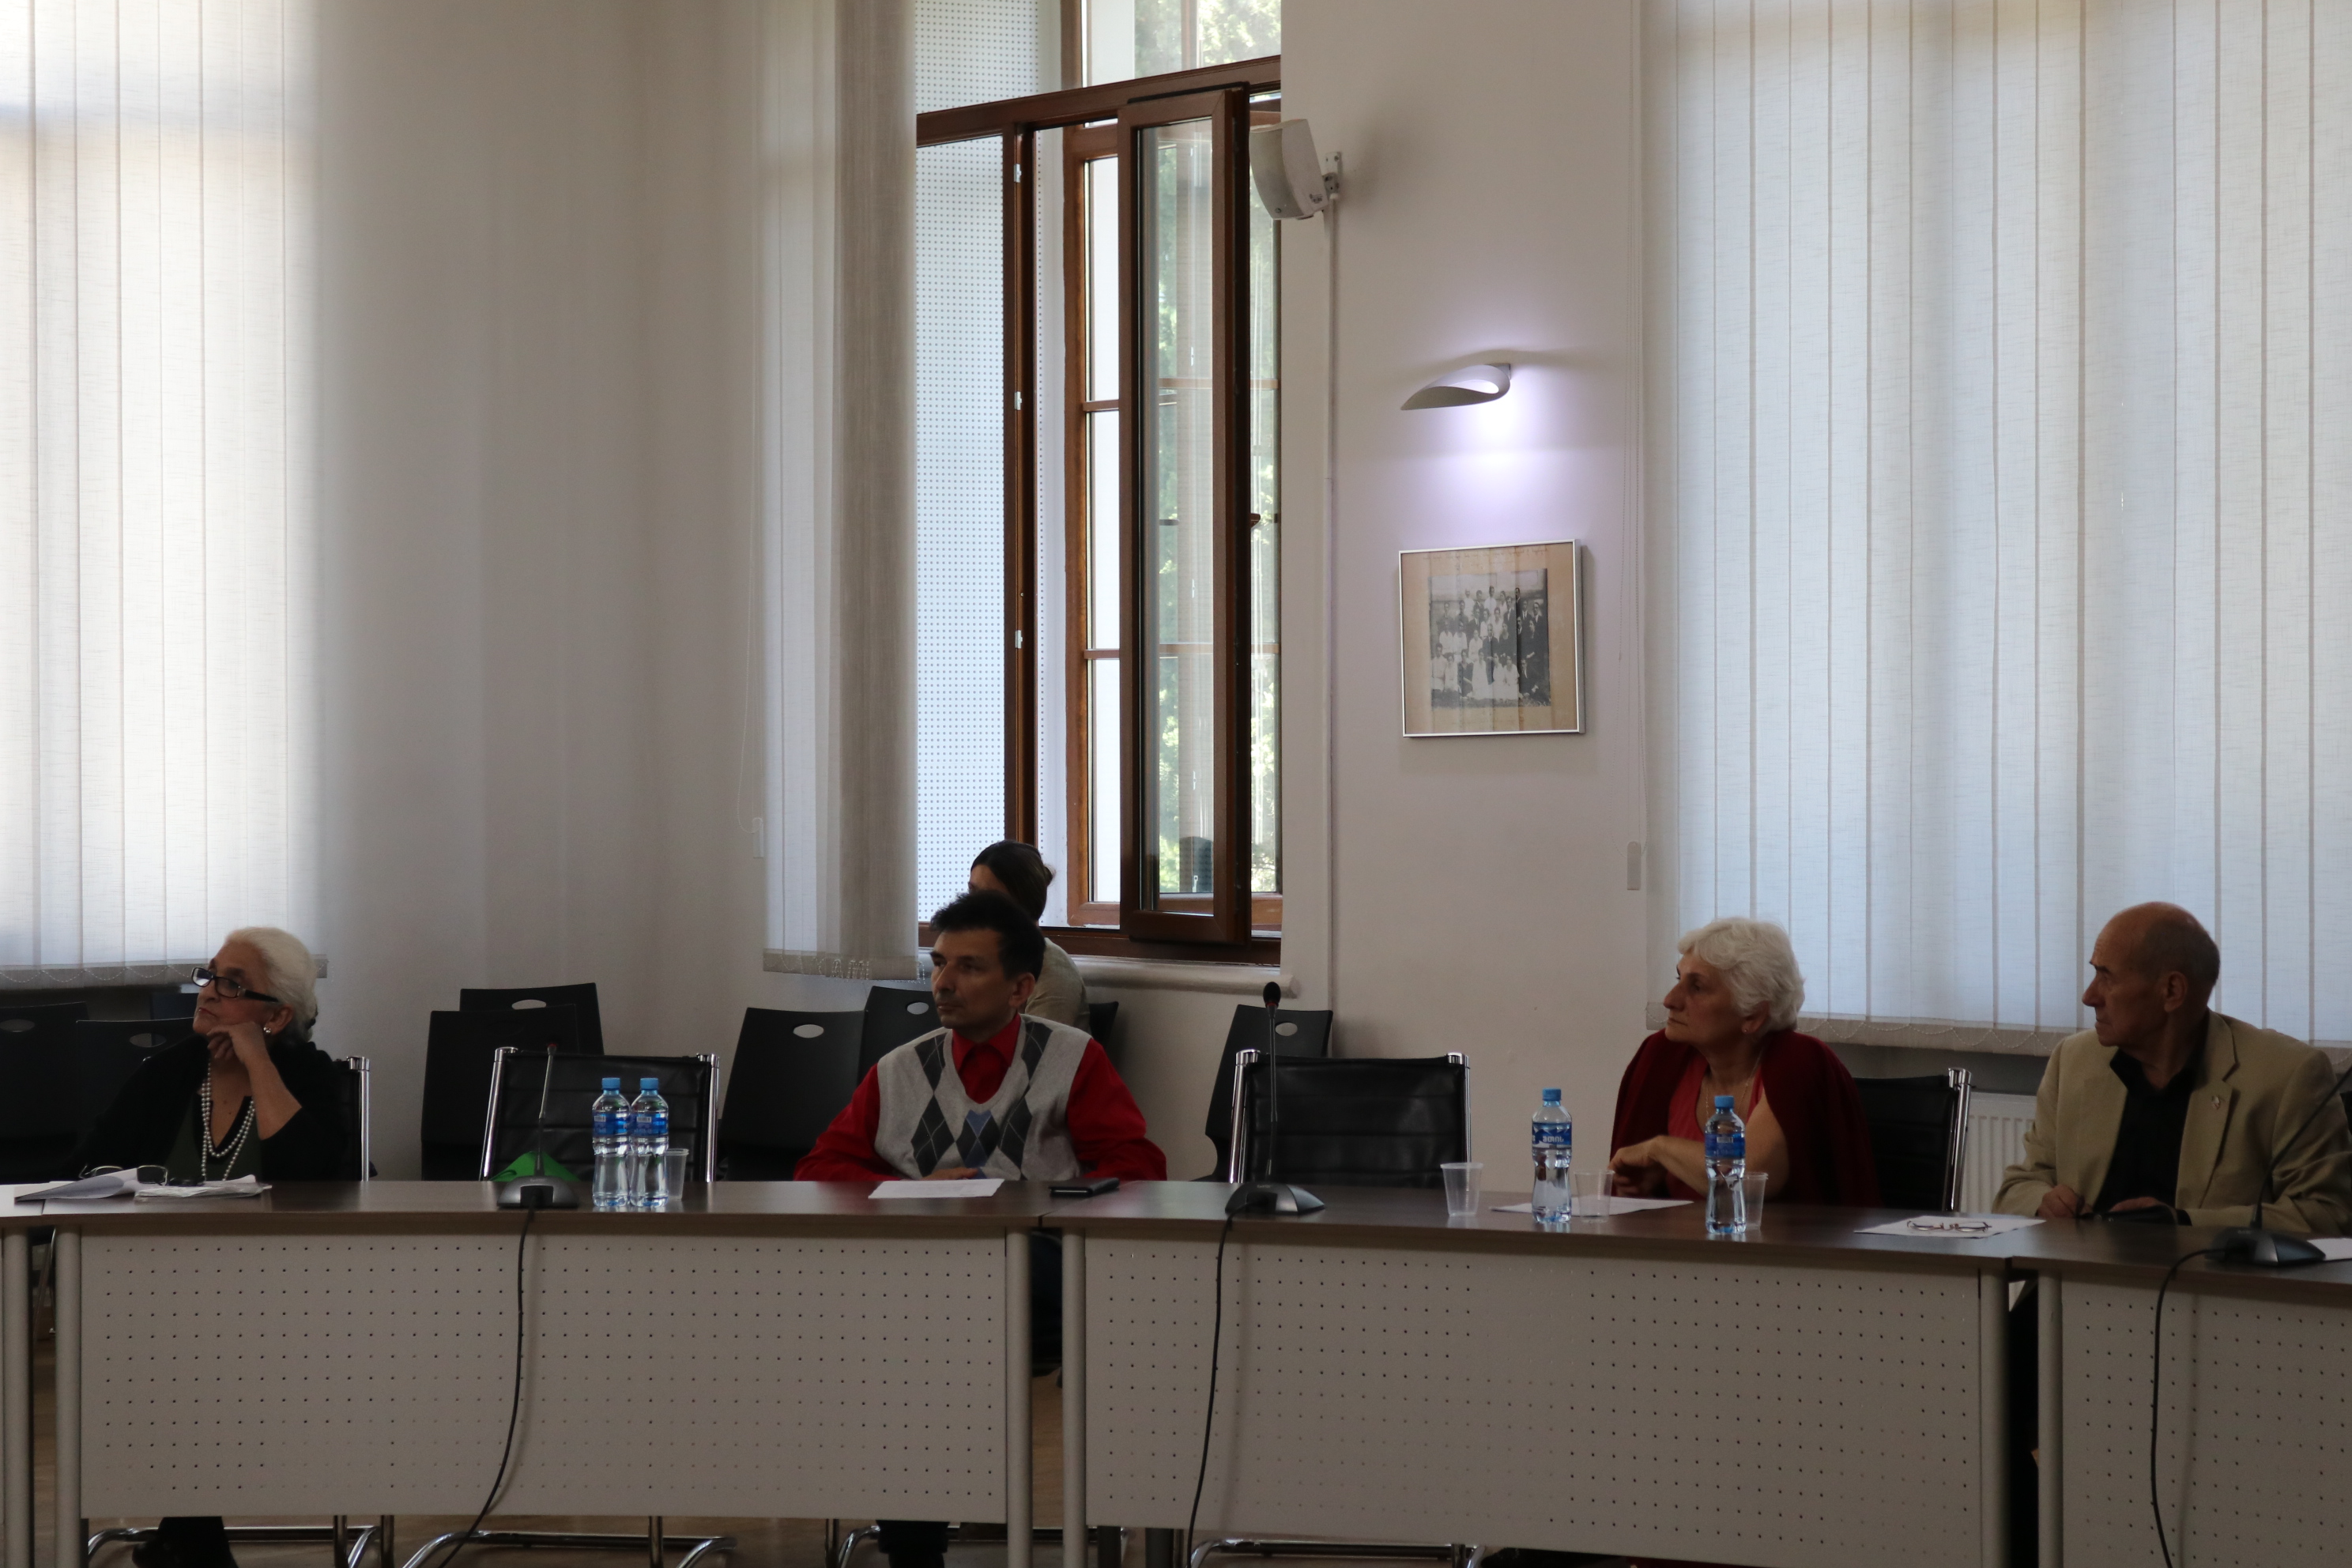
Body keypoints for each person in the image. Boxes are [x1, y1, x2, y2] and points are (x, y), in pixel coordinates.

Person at [797, 889, 1163, 1568]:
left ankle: (916, 1549)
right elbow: (821, 1169)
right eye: (939, 963)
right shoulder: (900, 1070)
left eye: (969, 967)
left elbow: (1136, 1168)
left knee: (918, 1324)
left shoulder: (1072, 1059)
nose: (943, 982)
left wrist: (1032, 1199)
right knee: (915, 1324)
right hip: (927, 1271)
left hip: (1039, 1256)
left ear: (1021, 988)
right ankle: (916, 1547)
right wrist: (912, 1192)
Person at [70, 926, 349, 1568]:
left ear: (277, 1015)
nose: (209, 993)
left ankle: (187, 1540)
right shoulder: (170, 1073)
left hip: (284, 1295)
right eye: (210, 974)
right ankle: (189, 1539)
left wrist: (257, 1063)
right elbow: (89, 1166)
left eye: (233, 984)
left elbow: (316, 1178)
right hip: (159, 1292)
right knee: (182, 1339)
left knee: (202, 1347)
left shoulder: (309, 1075)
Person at [1994, 902, 2352, 1230]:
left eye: (2107, 977)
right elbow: (2020, 1185)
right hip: (2080, 1275)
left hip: (2206, 1278)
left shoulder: (2286, 1075)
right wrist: (2043, 1203)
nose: (2089, 996)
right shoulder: (2073, 1060)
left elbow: (2327, 1214)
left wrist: (2183, 1224)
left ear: (2171, 991)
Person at [1608, 917, 1879, 1206]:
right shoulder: (1663, 1055)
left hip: (1776, 1236)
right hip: (1676, 1235)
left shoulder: (1799, 1059)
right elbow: (1626, 1193)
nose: (1670, 1000)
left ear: (1753, 1015)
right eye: (1679, 980)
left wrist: (1660, 1149)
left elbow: (1744, 1178)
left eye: (1697, 987)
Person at [967, 840, 1087, 1027]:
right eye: (972, 892)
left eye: (990, 897)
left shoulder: (1051, 969)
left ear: (1022, 903)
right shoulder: (977, 957)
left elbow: (1041, 1043)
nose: (973, 906)